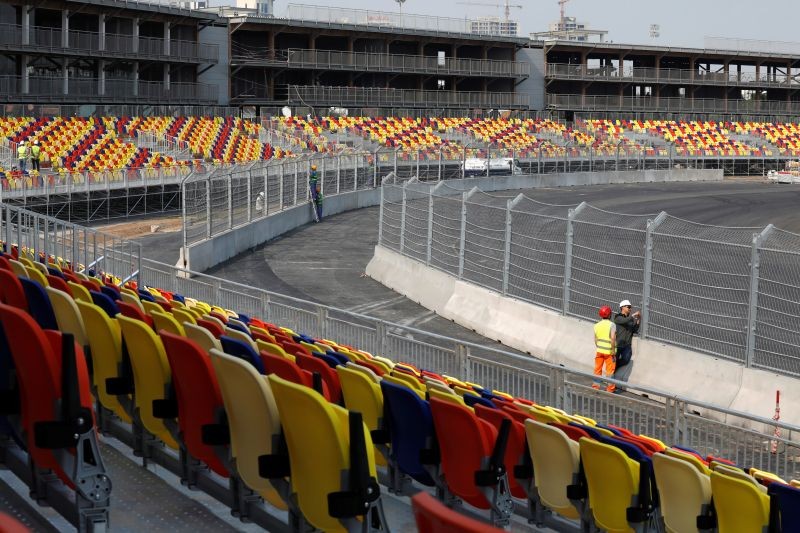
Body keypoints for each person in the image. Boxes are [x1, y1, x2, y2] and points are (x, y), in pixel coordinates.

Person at [613, 299, 640, 389]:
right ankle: (611, 380)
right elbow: (624, 321)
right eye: (628, 307)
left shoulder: (630, 319)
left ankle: (615, 366)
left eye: (630, 307)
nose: (630, 308)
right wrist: (633, 316)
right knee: (613, 361)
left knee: (626, 359)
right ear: (622, 307)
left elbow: (635, 329)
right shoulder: (618, 317)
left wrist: (638, 319)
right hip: (618, 344)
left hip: (627, 344)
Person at [592, 305, 617, 392]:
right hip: (609, 352)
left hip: (599, 351)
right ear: (609, 315)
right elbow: (613, 338)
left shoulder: (596, 325)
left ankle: (596, 387)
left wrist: (599, 347)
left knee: (597, 369)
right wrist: (613, 351)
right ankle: (610, 389)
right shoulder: (612, 325)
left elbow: (595, 339)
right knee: (610, 371)